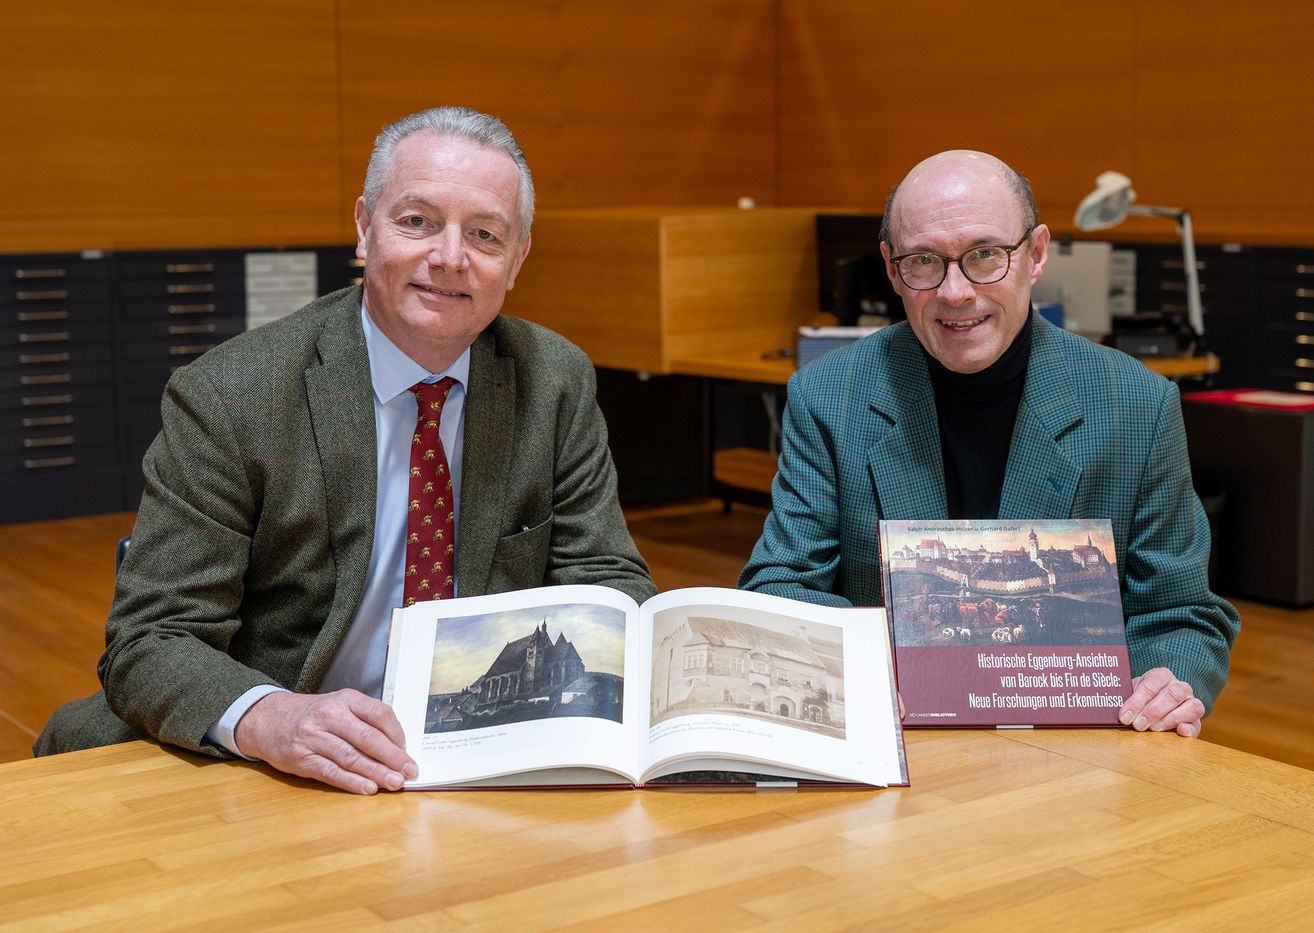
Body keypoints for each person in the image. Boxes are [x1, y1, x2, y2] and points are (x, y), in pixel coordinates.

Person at [36, 106, 655, 791]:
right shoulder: (230, 396)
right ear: (364, 228)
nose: (449, 256)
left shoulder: (555, 382)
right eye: (416, 221)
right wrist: (269, 717)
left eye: (484, 234)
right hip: (272, 760)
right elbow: (151, 636)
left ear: (517, 258)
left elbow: (610, 583)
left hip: (474, 758)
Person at [739, 150, 1239, 738]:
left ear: (1035, 253)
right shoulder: (830, 394)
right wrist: (856, 672)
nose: (956, 293)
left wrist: (1169, 682)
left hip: (1075, 752)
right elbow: (781, 587)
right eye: (924, 262)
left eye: (984, 257)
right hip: (892, 737)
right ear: (892, 269)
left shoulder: (1137, 405)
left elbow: (1182, 613)